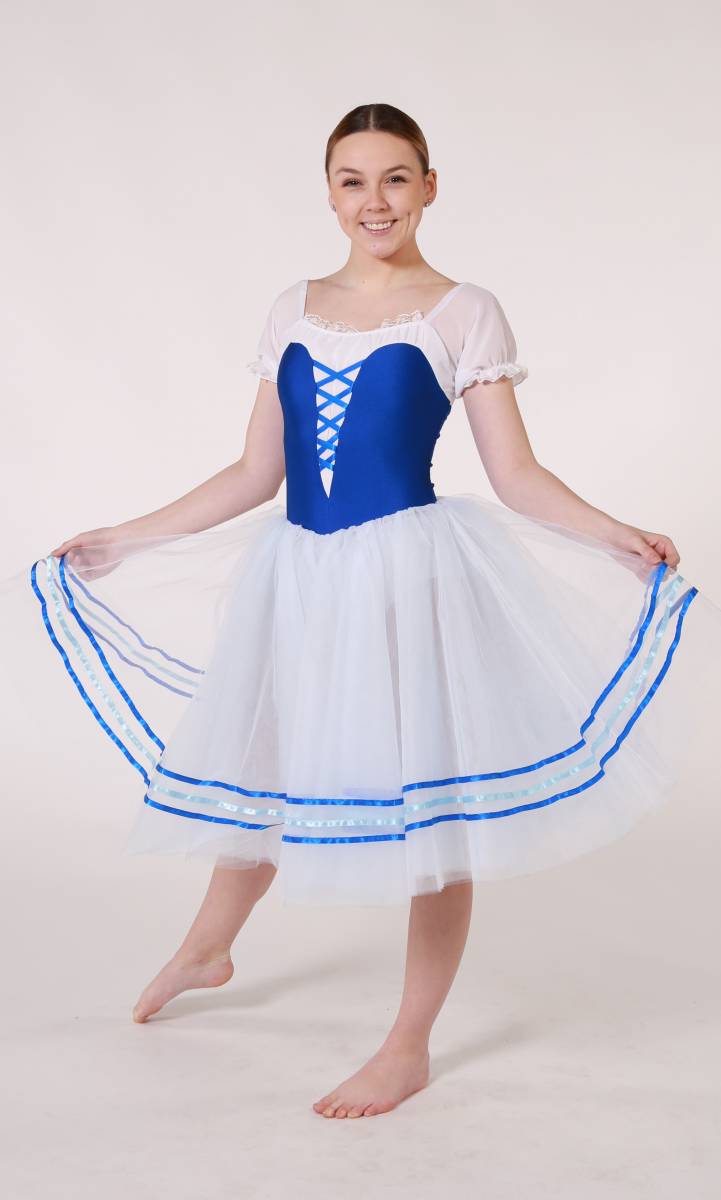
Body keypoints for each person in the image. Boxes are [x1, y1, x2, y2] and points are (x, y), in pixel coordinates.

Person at [9, 103, 721, 1120]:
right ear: (329, 193)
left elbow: (514, 474)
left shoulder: (462, 310)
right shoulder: (292, 307)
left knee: (433, 805)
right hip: (299, 573)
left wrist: (616, 534)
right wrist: (128, 536)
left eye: (394, 178)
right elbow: (255, 471)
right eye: (352, 180)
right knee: (265, 759)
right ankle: (209, 945)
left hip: (406, 577)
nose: (373, 200)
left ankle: (407, 1045)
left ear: (429, 186)